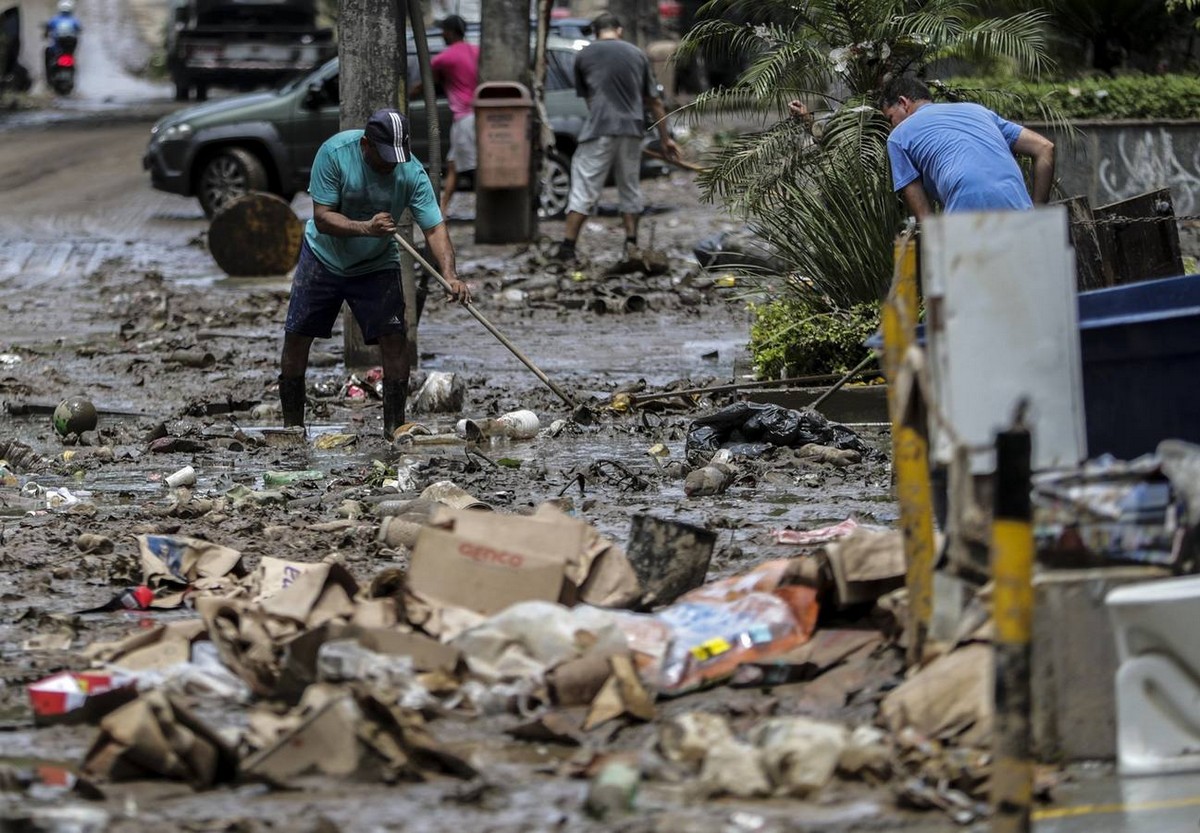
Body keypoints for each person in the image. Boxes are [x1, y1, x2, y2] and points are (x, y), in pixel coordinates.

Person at [278, 108, 471, 439]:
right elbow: (323, 217)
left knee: (395, 341)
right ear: (366, 145)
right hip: (324, 256)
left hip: (376, 263)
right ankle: (292, 426)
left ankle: (394, 426)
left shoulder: (410, 172)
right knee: (298, 336)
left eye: (396, 157)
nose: (390, 164)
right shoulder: (334, 154)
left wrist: (450, 274)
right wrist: (366, 228)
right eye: (383, 157)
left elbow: (435, 228)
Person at [553, 11, 680, 263]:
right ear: (618, 30)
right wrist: (665, 139)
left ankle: (568, 246)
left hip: (599, 128)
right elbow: (654, 101)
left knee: (584, 188)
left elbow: (590, 99)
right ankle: (631, 244)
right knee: (629, 187)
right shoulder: (637, 54)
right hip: (631, 130)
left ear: (596, 32)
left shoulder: (583, 56)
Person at [877, 76, 1055, 221]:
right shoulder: (978, 111)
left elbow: (925, 217)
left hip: (966, 219)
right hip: (1019, 210)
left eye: (890, 118)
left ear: (903, 102)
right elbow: (1044, 147)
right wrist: (1037, 212)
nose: (892, 126)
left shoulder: (898, 137)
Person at [412, 14, 479, 217]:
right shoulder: (476, 51)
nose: (441, 34)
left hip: (465, 117)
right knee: (453, 165)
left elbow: (425, 83)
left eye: (443, 30)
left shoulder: (445, 57)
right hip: (477, 115)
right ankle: (442, 208)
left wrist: (405, 95)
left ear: (449, 32)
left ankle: (487, 210)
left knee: (474, 168)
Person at [43, 0, 80, 70]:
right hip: (70, 47)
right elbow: (79, 29)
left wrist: (46, 34)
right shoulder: (74, 20)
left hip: (59, 47)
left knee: (48, 51)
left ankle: (47, 72)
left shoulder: (55, 19)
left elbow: (48, 27)